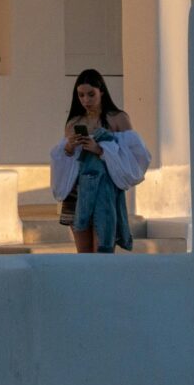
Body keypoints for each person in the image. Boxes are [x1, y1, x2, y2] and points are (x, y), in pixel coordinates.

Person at [49, 69, 150, 253]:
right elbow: (64, 161)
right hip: (76, 191)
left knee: (102, 250)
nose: (86, 100)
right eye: (81, 95)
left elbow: (137, 156)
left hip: (104, 189)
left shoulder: (118, 118)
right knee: (83, 253)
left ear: (101, 91)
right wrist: (69, 147)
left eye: (91, 94)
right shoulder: (74, 122)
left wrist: (101, 150)